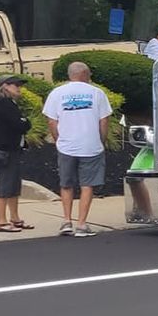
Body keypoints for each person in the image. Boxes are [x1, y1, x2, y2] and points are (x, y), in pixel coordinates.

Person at [43, 61, 113, 237]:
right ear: (85, 74)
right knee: (87, 185)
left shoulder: (57, 93)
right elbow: (104, 121)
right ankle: (81, 224)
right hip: (91, 145)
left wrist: (59, 140)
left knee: (66, 184)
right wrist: (101, 140)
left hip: (66, 146)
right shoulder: (97, 93)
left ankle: (66, 221)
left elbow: (52, 121)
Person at [0, 75, 35, 232]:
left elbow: (21, 123)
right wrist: (25, 122)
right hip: (5, 150)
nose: (19, 88)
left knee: (14, 185)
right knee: (5, 185)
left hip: (14, 148)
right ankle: (1, 221)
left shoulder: (10, 102)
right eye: (16, 85)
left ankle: (15, 218)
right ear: (5, 86)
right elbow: (19, 124)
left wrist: (23, 122)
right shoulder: (2, 102)